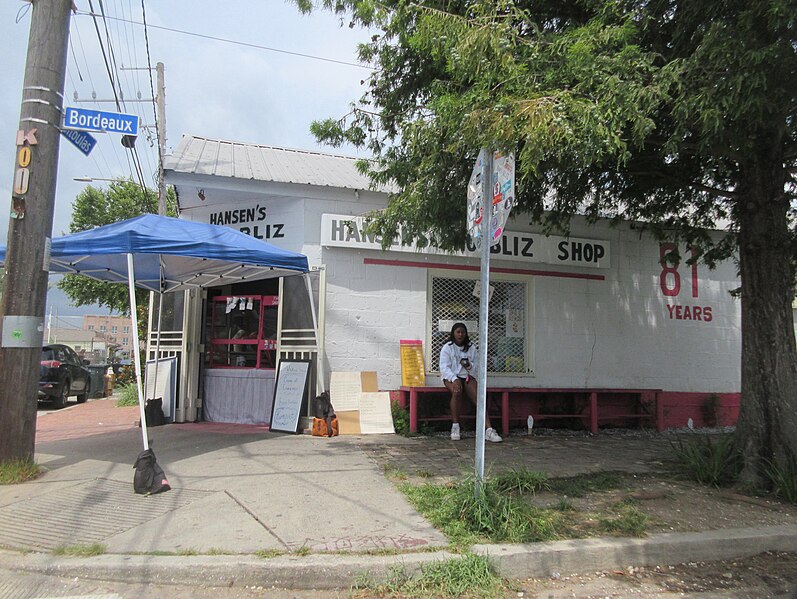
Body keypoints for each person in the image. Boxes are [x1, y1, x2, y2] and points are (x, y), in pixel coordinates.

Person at [439, 322, 502, 442]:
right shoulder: (447, 347)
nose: (460, 335)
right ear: (453, 333)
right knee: (457, 392)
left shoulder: (471, 347)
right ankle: (455, 426)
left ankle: (488, 430)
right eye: (458, 332)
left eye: (463, 332)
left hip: (467, 376)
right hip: (451, 378)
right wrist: (454, 379)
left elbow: (478, 367)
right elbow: (444, 368)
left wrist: (469, 365)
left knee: (479, 397)